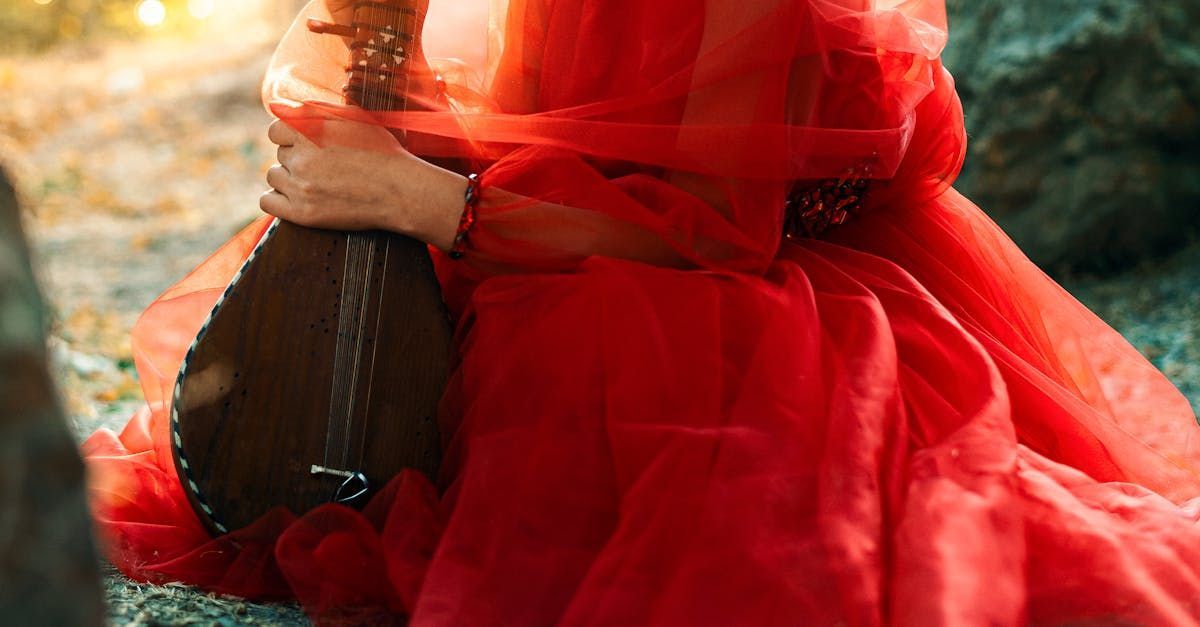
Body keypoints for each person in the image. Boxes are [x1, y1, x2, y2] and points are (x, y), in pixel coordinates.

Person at [83, 0, 1200, 624]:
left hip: (728, 291)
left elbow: (707, 228)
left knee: (671, 499)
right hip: (536, 226)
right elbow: (511, 107)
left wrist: (431, 202)